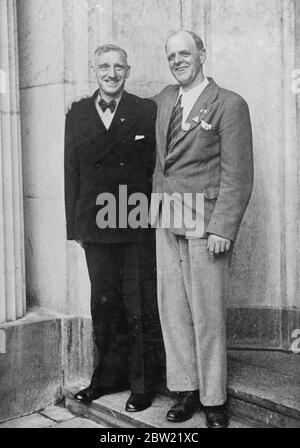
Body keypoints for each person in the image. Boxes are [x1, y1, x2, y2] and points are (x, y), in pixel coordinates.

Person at [152, 30, 253, 428]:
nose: (178, 60)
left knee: (207, 315)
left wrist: (223, 227)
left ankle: (214, 399)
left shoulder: (229, 104)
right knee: (173, 312)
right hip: (166, 217)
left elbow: (238, 174)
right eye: (171, 55)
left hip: (206, 222)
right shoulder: (163, 100)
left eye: (185, 53)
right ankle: (186, 391)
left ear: (202, 55)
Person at [64, 44, 164, 412]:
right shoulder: (76, 113)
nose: (111, 73)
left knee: (138, 303)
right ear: (95, 70)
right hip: (94, 224)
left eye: (118, 66)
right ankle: (105, 378)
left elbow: (157, 166)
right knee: (103, 304)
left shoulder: (145, 110)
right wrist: (74, 226)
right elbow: (69, 170)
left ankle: (141, 384)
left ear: (128, 69)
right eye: (104, 66)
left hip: (134, 219)